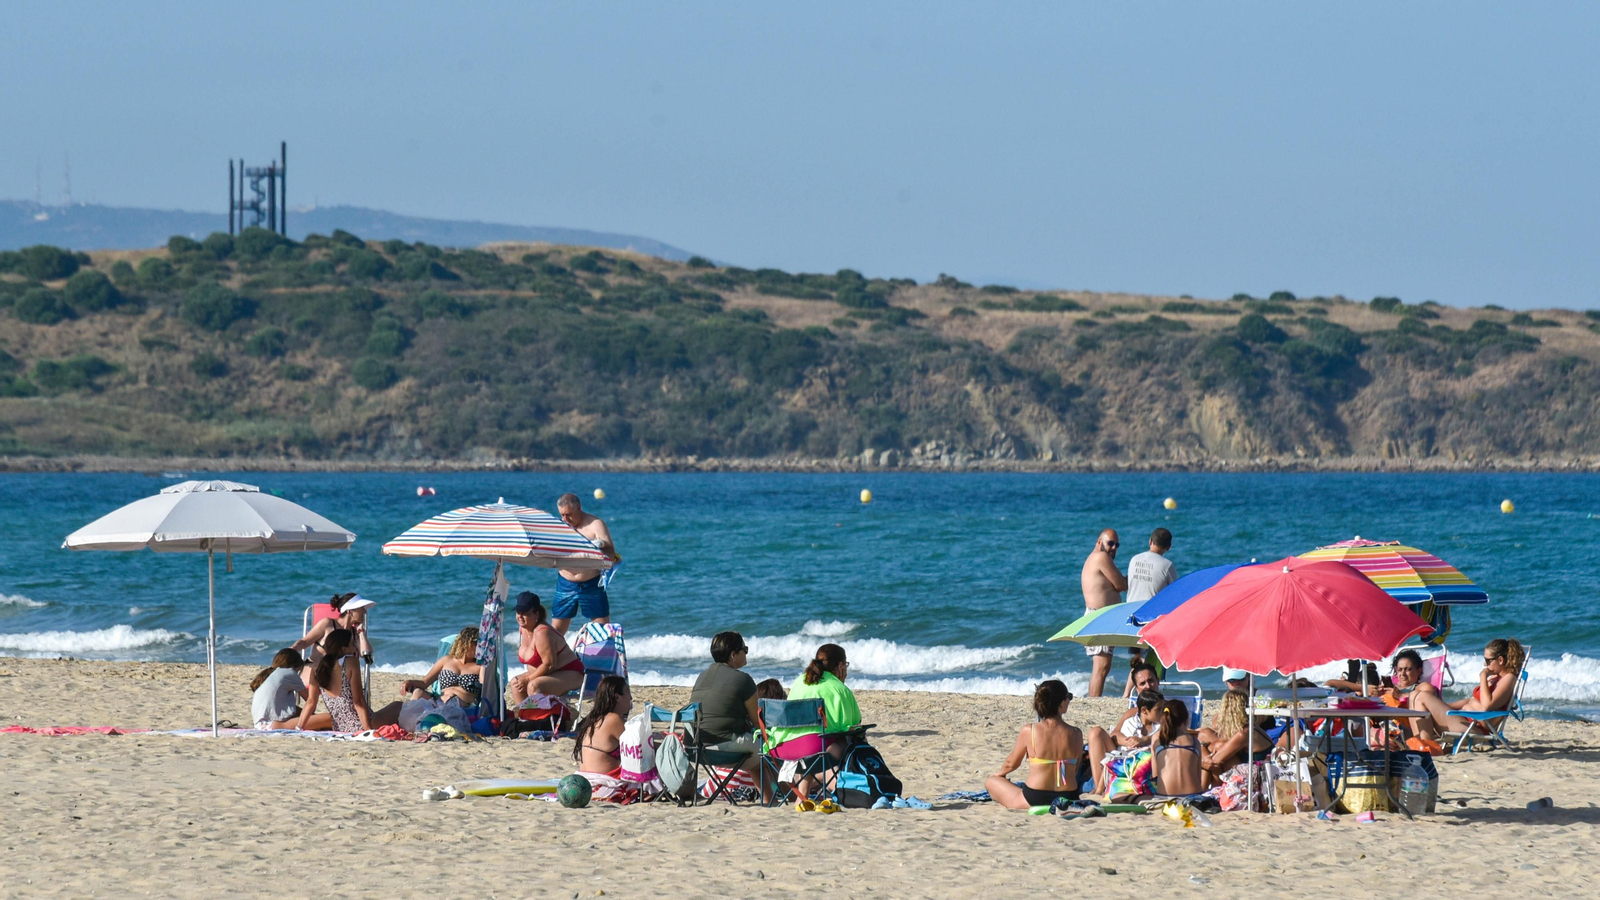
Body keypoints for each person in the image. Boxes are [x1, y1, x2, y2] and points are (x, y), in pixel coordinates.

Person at [768, 644, 863, 799]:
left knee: (815, 738)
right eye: (845, 665)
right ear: (840, 666)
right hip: (813, 752)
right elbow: (853, 725)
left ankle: (802, 795)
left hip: (782, 749)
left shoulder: (800, 681)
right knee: (845, 740)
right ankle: (853, 784)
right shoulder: (839, 689)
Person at [687, 631, 768, 800]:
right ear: (733, 655)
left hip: (697, 748)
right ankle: (772, 798)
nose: (746, 653)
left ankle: (770, 798)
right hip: (724, 746)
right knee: (766, 750)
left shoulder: (701, 676)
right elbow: (757, 722)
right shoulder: (743, 680)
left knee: (754, 756)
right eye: (744, 649)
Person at [984, 680, 1085, 810]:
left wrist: (999, 775)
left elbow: (1011, 764)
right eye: (1068, 697)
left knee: (991, 781)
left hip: (1036, 797)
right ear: (1061, 704)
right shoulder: (1076, 733)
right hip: (1069, 796)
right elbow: (1075, 768)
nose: (1069, 701)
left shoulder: (1030, 731)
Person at [1407, 638, 1525, 739]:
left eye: (1488, 661)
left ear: (1500, 660)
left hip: (1473, 728)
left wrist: (1483, 677)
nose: (1485, 664)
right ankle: (1421, 744)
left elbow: (1487, 705)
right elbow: (1472, 700)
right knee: (1414, 695)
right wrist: (1444, 706)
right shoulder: (1497, 679)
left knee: (1422, 697)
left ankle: (1426, 747)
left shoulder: (1509, 678)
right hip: (1465, 721)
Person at [297, 628, 399, 732]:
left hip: (340, 727)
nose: (355, 647)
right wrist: (368, 730)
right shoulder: (351, 662)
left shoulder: (316, 667)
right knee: (397, 706)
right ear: (344, 649)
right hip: (363, 724)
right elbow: (358, 701)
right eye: (353, 643)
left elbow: (310, 702)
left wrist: (299, 727)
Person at [552, 493, 618, 635]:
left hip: (591, 583)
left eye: (568, 514)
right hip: (566, 582)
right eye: (562, 515)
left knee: (602, 631)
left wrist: (597, 547)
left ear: (579, 508)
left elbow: (611, 553)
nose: (565, 519)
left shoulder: (595, 524)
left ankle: (599, 657)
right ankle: (559, 657)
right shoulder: (559, 526)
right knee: (556, 632)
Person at [506, 592, 585, 706]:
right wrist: (526, 679)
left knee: (534, 686)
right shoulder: (523, 629)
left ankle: (542, 721)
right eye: (518, 612)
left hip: (570, 673)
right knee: (515, 683)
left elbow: (549, 664)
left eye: (525, 613)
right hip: (548, 674)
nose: (520, 617)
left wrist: (528, 679)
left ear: (536, 614)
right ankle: (525, 720)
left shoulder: (542, 632)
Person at [1080, 528, 1128, 696]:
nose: (1114, 548)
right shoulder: (1101, 557)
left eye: (1117, 545)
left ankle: (1094, 700)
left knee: (1102, 667)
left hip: (1100, 617)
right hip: (1100, 617)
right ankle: (1094, 702)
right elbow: (1121, 585)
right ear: (1099, 542)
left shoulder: (1095, 558)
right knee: (1101, 668)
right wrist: (1135, 577)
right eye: (1110, 543)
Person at [1088, 688, 1164, 793]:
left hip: (1143, 764)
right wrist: (1129, 741)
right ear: (1144, 711)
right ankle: (1100, 790)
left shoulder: (1161, 725)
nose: (1162, 712)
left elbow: (1166, 735)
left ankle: (1100, 791)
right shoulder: (1130, 722)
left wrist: (1144, 740)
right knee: (1111, 759)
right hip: (1126, 759)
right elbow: (1117, 737)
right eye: (1158, 710)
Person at [292, 593, 375, 684]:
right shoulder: (328, 624)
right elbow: (304, 642)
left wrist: (361, 632)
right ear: (349, 612)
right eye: (361, 608)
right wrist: (292, 650)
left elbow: (367, 655)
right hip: (315, 672)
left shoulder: (355, 633)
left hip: (338, 678)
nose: (365, 612)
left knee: (353, 664)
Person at [1197, 689, 1274, 785]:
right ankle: (1206, 791)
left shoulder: (1244, 733)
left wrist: (1202, 750)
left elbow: (1214, 761)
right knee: (1205, 734)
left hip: (1258, 778)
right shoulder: (1248, 727)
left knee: (1218, 749)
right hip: (1250, 771)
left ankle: (1210, 791)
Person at [400, 627, 484, 706]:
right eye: (478, 643)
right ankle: (408, 717)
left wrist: (484, 660)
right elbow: (424, 683)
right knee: (418, 692)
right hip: (439, 705)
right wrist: (409, 682)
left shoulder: (480, 666)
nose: (481, 647)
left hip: (463, 709)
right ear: (467, 642)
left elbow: (485, 687)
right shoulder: (446, 660)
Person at [572, 675, 631, 775]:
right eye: (628, 694)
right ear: (617, 697)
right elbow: (639, 746)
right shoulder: (614, 720)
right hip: (602, 783)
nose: (630, 698)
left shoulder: (592, 719)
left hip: (584, 779)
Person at [1148, 699, 1204, 796]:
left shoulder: (1157, 740)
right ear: (1186, 721)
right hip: (1194, 797)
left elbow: (1155, 776)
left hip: (1165, 797)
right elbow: (1198, 777)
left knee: (1118, 796)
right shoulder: (1195, 742)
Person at [250, 648, 306, 730]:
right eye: (298, 670)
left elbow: (291, 708)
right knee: (329, 718)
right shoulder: (290, 673)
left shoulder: (271, 677)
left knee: (314, 717)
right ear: (294, 666)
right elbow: (310, 700)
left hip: (260, 724)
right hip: (272, 724)